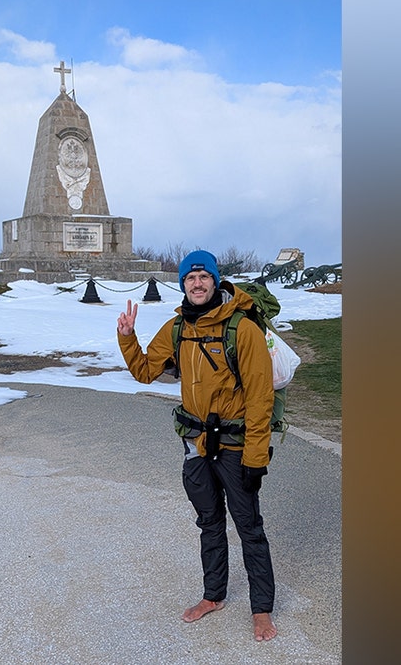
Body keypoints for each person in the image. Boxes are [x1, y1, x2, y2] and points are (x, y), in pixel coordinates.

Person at [116, 249, 278, 642]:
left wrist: (256, 457)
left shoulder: (243, 329)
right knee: (209, 524)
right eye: (191, 278)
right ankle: (213, 596)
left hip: (237, 448)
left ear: (216, 280)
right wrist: (127, 338)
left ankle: (261, 610)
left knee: (249, 527)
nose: (198, 283)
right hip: (196, 447)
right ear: (183, 284)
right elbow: (144, 371)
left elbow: (260, 399)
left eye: (204, 277)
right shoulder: (177, 328)